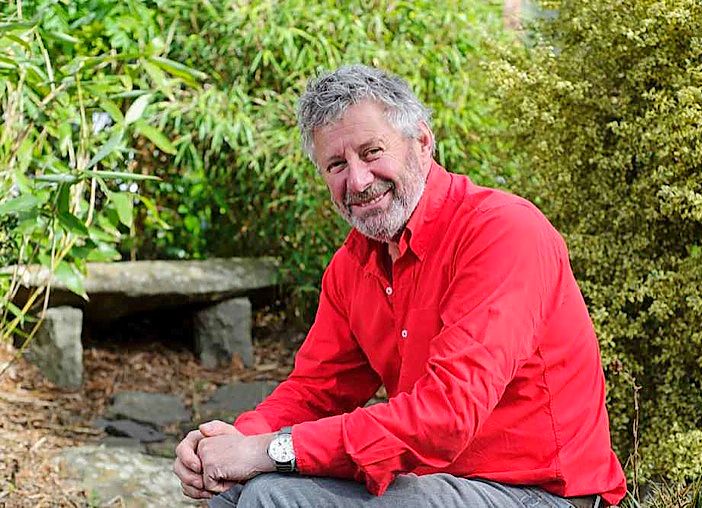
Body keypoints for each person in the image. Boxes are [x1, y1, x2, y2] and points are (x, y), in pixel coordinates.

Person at [174, 64, 627, 508]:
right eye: (336, 164)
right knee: (234, 487)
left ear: (423, 142)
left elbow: (446, 416)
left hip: (539, 494)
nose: (358, 180)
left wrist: (270, 451)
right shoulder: (352, 265)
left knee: (272, 491)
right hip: (436, 485)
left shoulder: (502, 232)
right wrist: (232, 440)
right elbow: (316, 391)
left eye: (371, 152)